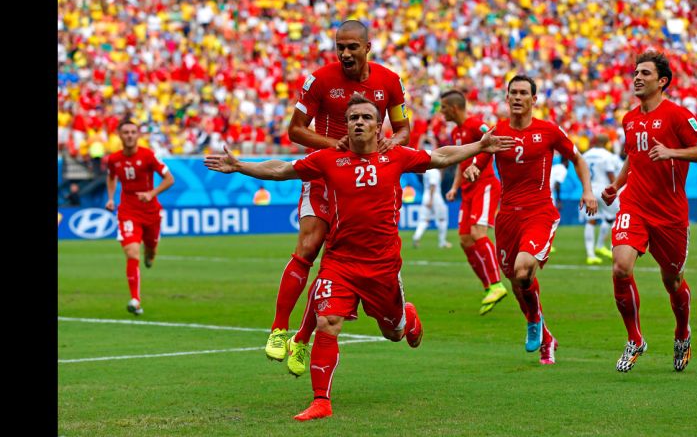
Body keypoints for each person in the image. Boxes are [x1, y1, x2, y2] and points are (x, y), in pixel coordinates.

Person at [204, 94, 514, 421]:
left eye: (366, 117)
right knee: (328, 321)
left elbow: (438, 157)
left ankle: (408, 318)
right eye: (353, 118)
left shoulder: (395, 156)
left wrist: (479, 147)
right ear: (347, 125)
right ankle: (321, 401)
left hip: (383, 267)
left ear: (378, 125)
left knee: (392, 333)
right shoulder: (327, 159)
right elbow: (282, 169)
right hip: (340, 263)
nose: (359, 123)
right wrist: (240, 166)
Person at [265, 20, 412, 377]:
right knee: (309, 245)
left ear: (367, 47)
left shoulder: (389, 81)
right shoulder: (319, 80)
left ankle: (302, 338)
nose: (345, 54)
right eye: (340, 47)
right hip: (326, 173)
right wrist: (334, 147)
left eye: (352, 47)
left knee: (335, 262)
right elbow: (295, 130)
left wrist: (396, 140)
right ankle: (279, 329)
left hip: (364, 180)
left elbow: (404, 126)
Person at [465, 75, 598, 365]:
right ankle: (547, 338)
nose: (517, 97)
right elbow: (479, 160)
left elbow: (578, 158)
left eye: (523, 93)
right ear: (507, 97)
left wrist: (587, 190)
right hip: (508, 217)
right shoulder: (496, 133)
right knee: (516, 281)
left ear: (534, 100)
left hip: (539, 213)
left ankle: (534, 320)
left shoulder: (548, 131)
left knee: (524, 270)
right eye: (513, 92)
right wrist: (473, 170)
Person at [602, 51, 697, 373]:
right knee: (621, 268)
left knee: (672, 279)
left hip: (670, 215)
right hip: (634, 205)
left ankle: (682, 333)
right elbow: (633, 156)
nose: (637, 77)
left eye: (645, 73)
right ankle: (635, 339)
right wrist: (617, 185)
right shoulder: (630, 118)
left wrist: (672, 152)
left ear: (662, 81)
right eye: (635, 73)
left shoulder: (678, 115)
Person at [440, 89, 508, 316]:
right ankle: (489, 286)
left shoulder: (474, 124)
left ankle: (497, 285)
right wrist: (454, 187)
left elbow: (492, 136)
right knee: (465, 239)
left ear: (454, 108)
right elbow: (461, 162)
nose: (441, 112)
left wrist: (477, 165)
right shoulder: (457, 132)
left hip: (485, 184)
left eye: (443, 107)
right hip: (468, 190)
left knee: (479, 233)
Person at [105, 119, 175, 315]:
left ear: (138, 135)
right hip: (127, 211)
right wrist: (111, 198)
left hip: (151, 211)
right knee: (132, 252)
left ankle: (150, 254)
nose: (129, 135)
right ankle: (135, 299)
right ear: (119, 135)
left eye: (133, 132)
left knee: (150, 251)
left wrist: (151, 194)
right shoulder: (114, 159)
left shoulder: (148, 156)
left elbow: (170, 179)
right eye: (125, 132)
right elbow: (111, 177)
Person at [581, 133, 622, 264]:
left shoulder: (586, 155)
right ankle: (607, 247)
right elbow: (610, 173)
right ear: (607, 143)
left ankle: (591, 254)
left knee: (590, 221)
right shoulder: (607, 155)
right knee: (615, 217)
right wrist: (617, 189)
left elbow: (581, 171)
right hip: (604, 190)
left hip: (589, 191)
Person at [412, 138, 452, 249]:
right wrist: (431, 199)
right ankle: (442, 242)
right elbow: (433, 185)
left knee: (424, 220)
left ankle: (416, 236)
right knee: (442, 219)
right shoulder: (434, 171)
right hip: (434, 197)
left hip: (426, 195)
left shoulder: (427, 170)